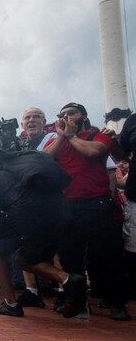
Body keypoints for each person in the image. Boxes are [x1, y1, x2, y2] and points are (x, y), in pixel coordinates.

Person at [0, 151, 87, 317]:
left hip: (32, 216)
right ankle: (67, 279)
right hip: (63, 212)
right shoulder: (15, 173)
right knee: (24, 258)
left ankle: (11, 303)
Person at [44, 102, 127, 320]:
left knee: (107, 256)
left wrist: (71, 136)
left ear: (84, 115)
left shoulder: (98, 135)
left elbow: (93, 152)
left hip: (96, 203)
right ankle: (77, 302)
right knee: (71, 257)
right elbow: (44, 160)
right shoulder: (58, 140)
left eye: (71, 112)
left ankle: (117, 302)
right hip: (68, 205)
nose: (66, 116)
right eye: (62, 114)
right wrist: (62, 136)